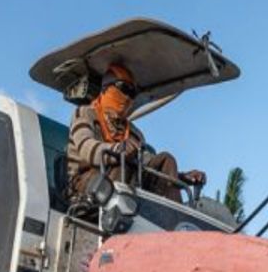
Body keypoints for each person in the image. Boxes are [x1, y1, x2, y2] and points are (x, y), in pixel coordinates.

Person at [65, 63, 205, 203]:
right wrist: (118, 150)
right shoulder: (85, 113)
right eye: (123, 88)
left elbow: (145, 164)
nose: (127, 97)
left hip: (124, 185)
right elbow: (85, 147)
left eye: (132, 93)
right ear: (106, 88)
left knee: (166, 160)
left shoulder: (134, 133)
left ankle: (173, 219)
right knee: (122, 164)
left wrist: (179, 178)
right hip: (84, 183)